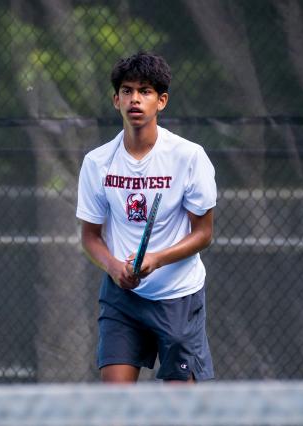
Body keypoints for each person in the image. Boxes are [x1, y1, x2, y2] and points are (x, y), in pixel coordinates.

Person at [76, 52, 217, 383]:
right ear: (116, 100)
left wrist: (156, 259)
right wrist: (113, 268)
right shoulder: (97, 163)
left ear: (161, 101)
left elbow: (204, 234)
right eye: (127, 91)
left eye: (145, 91)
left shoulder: (189, 157)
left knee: (182, 414)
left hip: (179, 297)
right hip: (123, 300)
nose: (135, 99)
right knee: (115, 410)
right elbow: (90, 237)